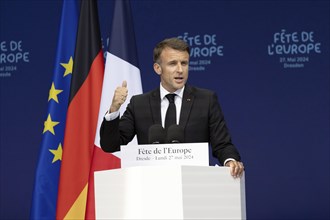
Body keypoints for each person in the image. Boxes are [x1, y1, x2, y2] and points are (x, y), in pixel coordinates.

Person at [100, 37, 244, 178]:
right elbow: (110, 145)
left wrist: (230, 160)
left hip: (192, 186)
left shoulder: (206, 100)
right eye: (172, 64)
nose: (180, 69)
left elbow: (222, 144)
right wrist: (114, 109)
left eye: (184, 63)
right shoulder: (139, 104)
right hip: (151, 186)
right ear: (158, 68)